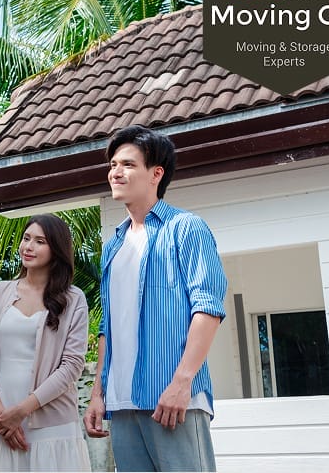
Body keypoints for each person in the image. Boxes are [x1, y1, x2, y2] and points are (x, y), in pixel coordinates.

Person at [83, 125, 228, 472]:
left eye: (128, 164)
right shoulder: (113, 246)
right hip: (122, 404)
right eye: (113, 164)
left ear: (156, 174)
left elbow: (207, 309)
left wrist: (182, 383)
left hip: (173, 399)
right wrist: (98, 393)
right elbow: (108, 326)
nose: (116, 172)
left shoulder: (185, 228)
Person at [0, 214, 92, 472]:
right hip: (0, 421)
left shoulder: (73, 299)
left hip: (52, 426)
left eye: (40, 241)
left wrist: (22, 411)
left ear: (57, 249)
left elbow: (72, 365)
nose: (28, 247)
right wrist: (0, 414)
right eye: (26, 238)